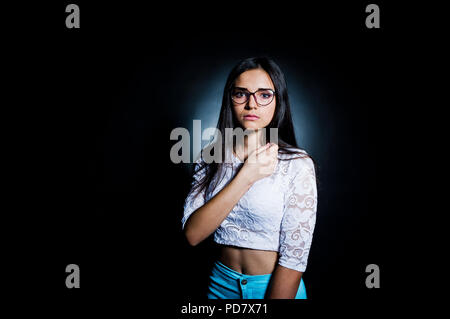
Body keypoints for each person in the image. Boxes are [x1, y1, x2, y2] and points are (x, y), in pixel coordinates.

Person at [181, 56, 318, 299]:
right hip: (219, 286)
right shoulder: (209, 158)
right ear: (230, 99)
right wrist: (246, 175)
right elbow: (192, 235)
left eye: (264, 95)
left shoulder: (297, 164)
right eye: (241, 94)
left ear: (278, 100)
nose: (251, 104)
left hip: (273, 287)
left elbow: (293, 261)